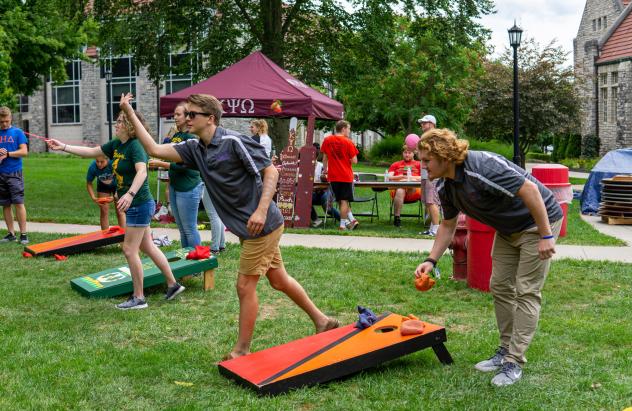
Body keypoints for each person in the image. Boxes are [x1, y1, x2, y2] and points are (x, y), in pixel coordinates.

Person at [118, 92, 339, 359]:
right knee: (279, 280)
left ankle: (241, 351)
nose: (186, 119)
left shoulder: (234, 141)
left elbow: (271, 171)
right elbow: (153, 149)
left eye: (192, 114)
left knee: (245, 286)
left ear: (210, 118)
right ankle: (322, 321)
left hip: (263, 225)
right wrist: (129, 112)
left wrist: (259, 211)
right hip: (249, 229)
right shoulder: (195, 148)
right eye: (185, 114)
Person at [414, 128, 563, 387]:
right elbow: (448, 225)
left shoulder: (482, 167)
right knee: (500, 285)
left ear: (444, 156)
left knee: (527, 291)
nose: (423, 166)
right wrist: (431, 260)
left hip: (538, 222)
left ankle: (514, 362)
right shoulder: (445, 185)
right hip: (507, 229)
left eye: (427, 161)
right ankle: (505, 349)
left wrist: (546, 236)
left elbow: (530, 190)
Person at [47, 109, 185, 310]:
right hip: (136, 204)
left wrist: (129, 194)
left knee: (129, 249)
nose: (116, 123)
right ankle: (173, 285)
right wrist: (64, 146)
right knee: (147, 247)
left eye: (121, 121)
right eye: (118, 120)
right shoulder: (116, 145)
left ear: (131, 126)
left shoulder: (135, 146)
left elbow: (142, 172)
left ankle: (139, 298)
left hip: (138, 203)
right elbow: (92, 151)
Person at [149, 102, 204, 248]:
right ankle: (187, 261)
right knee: (182, 228)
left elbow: (187, 166)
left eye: (178, 114)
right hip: (175, 185)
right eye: (174, 114)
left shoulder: (191, 137)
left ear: (187, 117)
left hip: (188, 187)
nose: (175, 117)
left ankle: (197, 263)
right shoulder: (177, 136)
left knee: (189, 228)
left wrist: (161, 164)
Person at [320, 120, 359, 231]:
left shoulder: (327, 140)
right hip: (345, 176)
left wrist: (325, 170)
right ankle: (342, 225)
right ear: (343, 129)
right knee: (344, 201)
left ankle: (351, 220)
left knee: (340, 200)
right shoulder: (348, 142)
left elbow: (324, 158)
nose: (349, 131)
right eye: (349, 129)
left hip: (333, 176)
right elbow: (355, 161)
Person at [0, 106, 29, 245]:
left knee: (18, 202)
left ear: (10, 118)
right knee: (5, 204)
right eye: (1, 122)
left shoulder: (17, 132)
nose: (4, 124)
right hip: (1, 173)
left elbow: (24, 151)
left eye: (6, 121)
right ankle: (11, 234)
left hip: (14, 172)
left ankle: (23, 234)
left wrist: (8, 154)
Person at [417, 114, 442, 236]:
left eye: (425, 122)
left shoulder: (435, 137)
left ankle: (436, 229)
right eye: (421, 122)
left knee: (432, 201)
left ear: (432, 124)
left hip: (433, 172)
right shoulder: (425, 137)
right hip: (424, 171)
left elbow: (434, 154)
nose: (422, 124)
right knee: (427, 201)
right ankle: (432, 228)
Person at [86, 155, 125, 230]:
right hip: (103, 186)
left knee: (120, 211)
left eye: (102, 162)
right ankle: (105, 237)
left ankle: (123, 237)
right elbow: (89, 183)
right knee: (104, 211)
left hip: (118, 185)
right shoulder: (93, 167)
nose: (99, 164)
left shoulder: (114, 164)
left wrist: (115, 197)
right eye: (97, 161)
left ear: (108, 159)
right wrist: (93, 197)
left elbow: (124, 180)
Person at [388, 145, 422, 228]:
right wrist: (401, 178)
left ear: (413, 154)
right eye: (405, 152)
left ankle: (397, 217)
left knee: (407, 184)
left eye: (409, 153)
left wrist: (409, 178)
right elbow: (389, 177)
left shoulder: (419, 164)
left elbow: (423, 177)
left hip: (414, 191)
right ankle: (397, 218)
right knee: (400, 189)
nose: (407, 155)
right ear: (402, 153)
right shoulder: (396, 164)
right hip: (397, 191)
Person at [311, 142, 340, 227]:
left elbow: (330, 181)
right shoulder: (304, 167)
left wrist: (325, 177)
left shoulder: (322, 166)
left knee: (328, 207)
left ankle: (344, 221)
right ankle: (316, 219)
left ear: (316, 156)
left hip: (325, 191)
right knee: (303, 198)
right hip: (313, 193)